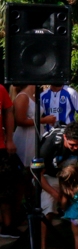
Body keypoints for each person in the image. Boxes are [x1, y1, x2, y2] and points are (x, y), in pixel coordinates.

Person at [39, 122, 78, 249]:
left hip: (71, 177)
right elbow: (38, 174)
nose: (76, 148)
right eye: (72, 145)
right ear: (65, 137)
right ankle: (42, 248)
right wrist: (57, 195)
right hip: (49, 176)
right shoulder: (49, 146)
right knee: (47, 208)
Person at [14, 85, 55, 168]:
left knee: (37, 166)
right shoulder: (23, 96)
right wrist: (44, 120)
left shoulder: (33, 97)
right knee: (28, 167)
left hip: (35, 136)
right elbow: (20, 121)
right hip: (26, 138)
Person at [0, 84, 19, 239]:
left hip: (1, 147)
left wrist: (10, 139)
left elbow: (8, 112)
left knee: (6, 188)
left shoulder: (0, 89)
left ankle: (7, 226)